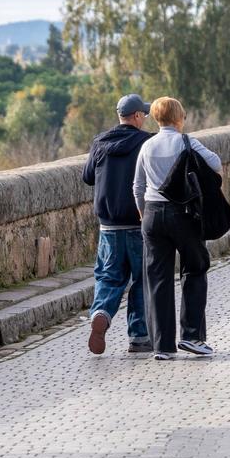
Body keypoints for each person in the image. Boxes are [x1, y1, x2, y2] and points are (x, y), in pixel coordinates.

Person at [132, 97, 222, 360]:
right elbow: (215, 163)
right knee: (194, 268)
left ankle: (163, 346)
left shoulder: (147, 146)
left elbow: (137, 186)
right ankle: (192, 336)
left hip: (152, 214)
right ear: (179, 117)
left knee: (157, 279)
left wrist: (143, 214)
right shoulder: (186, 142)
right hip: (183, 214)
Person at [83, 94, 154, 355]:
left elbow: (88, 177)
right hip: (137, 222)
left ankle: (101, 312)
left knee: (108, 276)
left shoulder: (100, 142)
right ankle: (139, 337)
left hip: (108, 225)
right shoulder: (147, 142)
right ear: (136, 116)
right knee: (142, 279)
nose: (145, 118)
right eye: (143, 115)